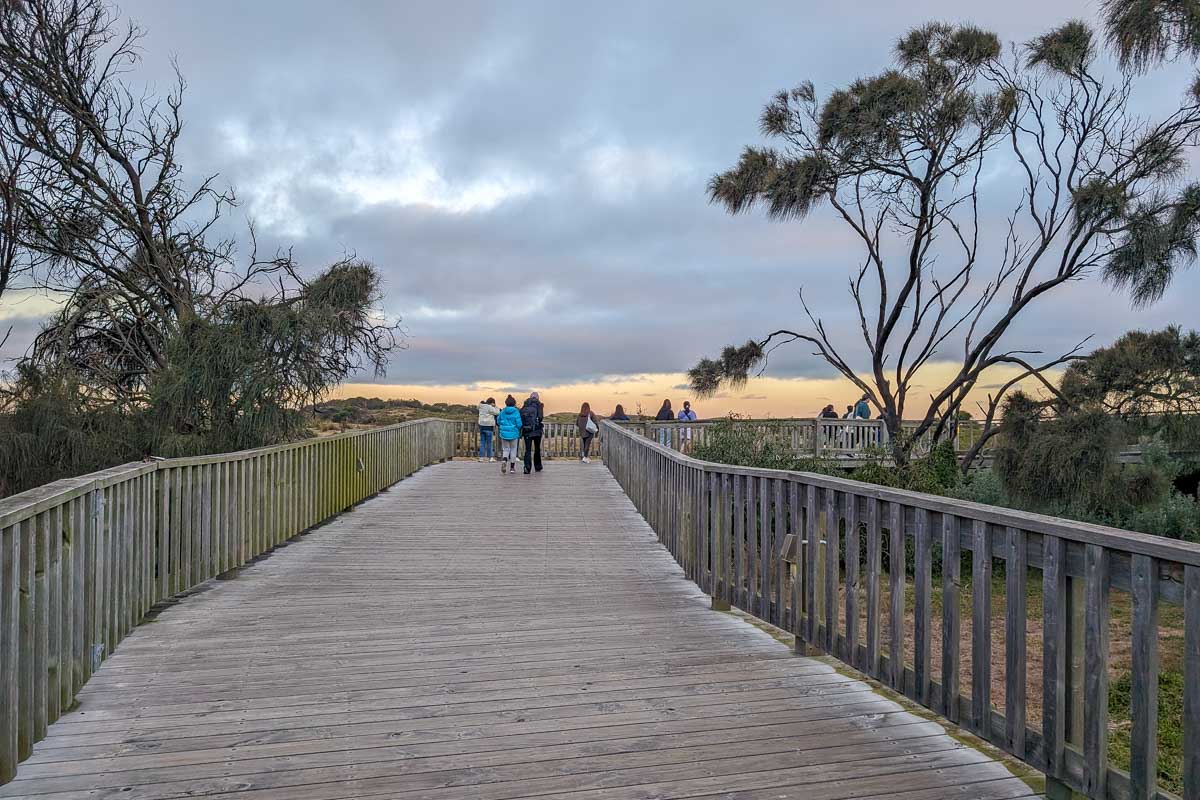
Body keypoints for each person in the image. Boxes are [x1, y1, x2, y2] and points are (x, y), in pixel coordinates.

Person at [496, 395, 523, 474]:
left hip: (504, 433)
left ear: (506, 403)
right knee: (513, 450)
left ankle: (504, 460)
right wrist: (518, 428)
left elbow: (498, 421)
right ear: (514, 403)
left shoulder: (503, 411)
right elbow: (519, 423)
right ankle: (512, 468)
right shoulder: (516, 411)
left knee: (506, 449)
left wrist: (502, 426)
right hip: (514, 433)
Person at [520, 392, 544, 474]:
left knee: (528, 450)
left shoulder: (525, 405)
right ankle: (538, 466)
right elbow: (540, 417)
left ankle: (527, 468)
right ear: (537, 398)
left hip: (527, 431)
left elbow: (521, 417)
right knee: (537, 449)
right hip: (537, 431)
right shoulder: (539, 405)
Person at [477, 397, 499, 462]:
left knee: (482, 442)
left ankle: (481, 458)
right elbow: (498, 412)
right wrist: (495, 406)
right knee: (489, 443)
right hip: (489, 427)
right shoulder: (490, 407)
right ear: (492, 402)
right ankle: (490, 458)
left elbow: (477, 407)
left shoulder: (481, 407)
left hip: (482, 426)